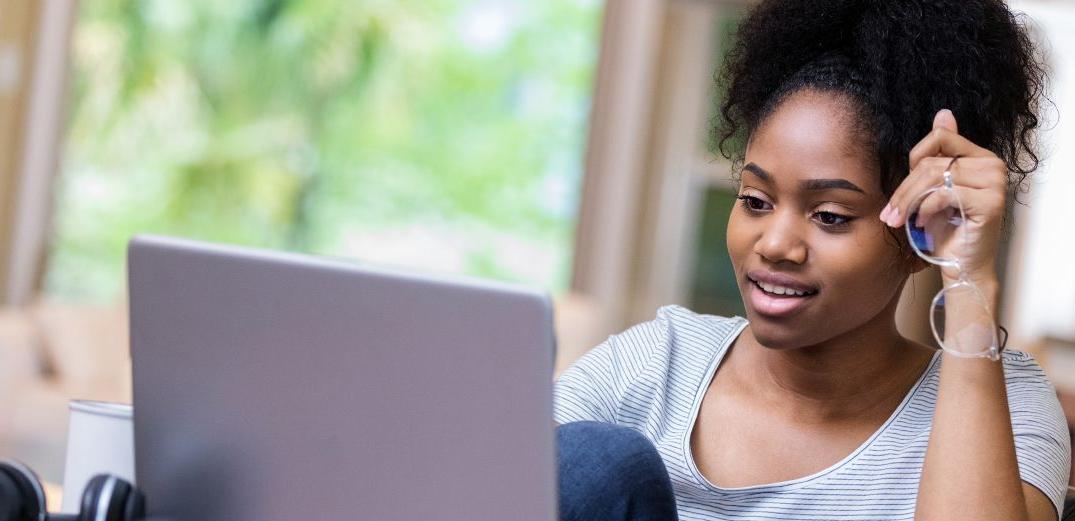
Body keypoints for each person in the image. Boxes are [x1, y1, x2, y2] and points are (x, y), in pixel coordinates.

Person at [553, 1, 1072, 520]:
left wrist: (968, 278)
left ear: (920, 234)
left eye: (830, 215)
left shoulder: (1006, 406)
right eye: (755, 201)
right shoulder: (654, 367)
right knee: (593, 461)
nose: (776, 244)